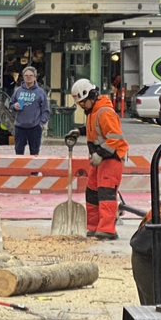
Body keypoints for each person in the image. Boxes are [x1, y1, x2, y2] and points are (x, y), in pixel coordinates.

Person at [66, 78, 129, 240]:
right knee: (92, 192)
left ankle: (107, 230)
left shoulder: (105, 112)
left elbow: (115, 138)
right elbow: (95, 129)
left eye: (82, 103)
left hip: (111, 158)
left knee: (106, 193)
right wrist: (79, 132)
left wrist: (100, 153)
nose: (81, 106)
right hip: (100, 158)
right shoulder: (94, 111)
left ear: (90, 97)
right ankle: (94, 227)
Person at [9, 67, 50, 155]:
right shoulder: (18, 91)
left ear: (35, 77)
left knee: (34, 153)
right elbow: (10, 104)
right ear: (23, 77)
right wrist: (14, 106)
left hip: (35, 127)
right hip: (20, 127)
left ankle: (34, 169)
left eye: (31, 75)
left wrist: (41, 123)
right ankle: (20, 169)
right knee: (18, 152)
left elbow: (46, 110)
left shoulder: (40, 92)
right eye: (26, 75)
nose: (28, 77)